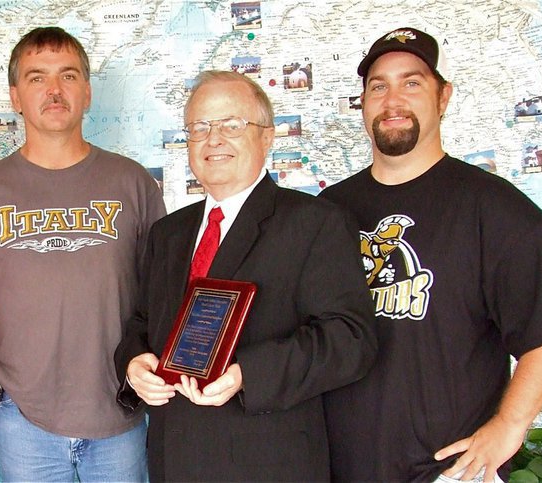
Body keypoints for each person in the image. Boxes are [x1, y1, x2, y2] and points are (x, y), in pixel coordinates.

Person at [114, 70, 378, 481]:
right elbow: (142, 324)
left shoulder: (316, 223)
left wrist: (247, 375)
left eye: (231, 125)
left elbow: (350, 339)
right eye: (199, 127)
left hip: (269, 463)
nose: (213, 139)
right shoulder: (167, 233)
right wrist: (134, 365)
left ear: (267, 137)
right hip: (175, 461)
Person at [320, 27, 542, 482]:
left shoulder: (495, 209)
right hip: (337, 466)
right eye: (378, 86)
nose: (392, 100)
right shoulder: (328, 213)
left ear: (443, 97)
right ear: (363, 102)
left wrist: (509, 426)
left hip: (448, 472)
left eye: (412, 83)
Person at [0, 27, 166, 482]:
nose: (54, 90)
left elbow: (158, 293)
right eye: (36, 78)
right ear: (15, 96)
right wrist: (19, 370)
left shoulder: (133, 184)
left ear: (86, 92)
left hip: (119, 413)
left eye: (68, 76)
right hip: (24, 419)